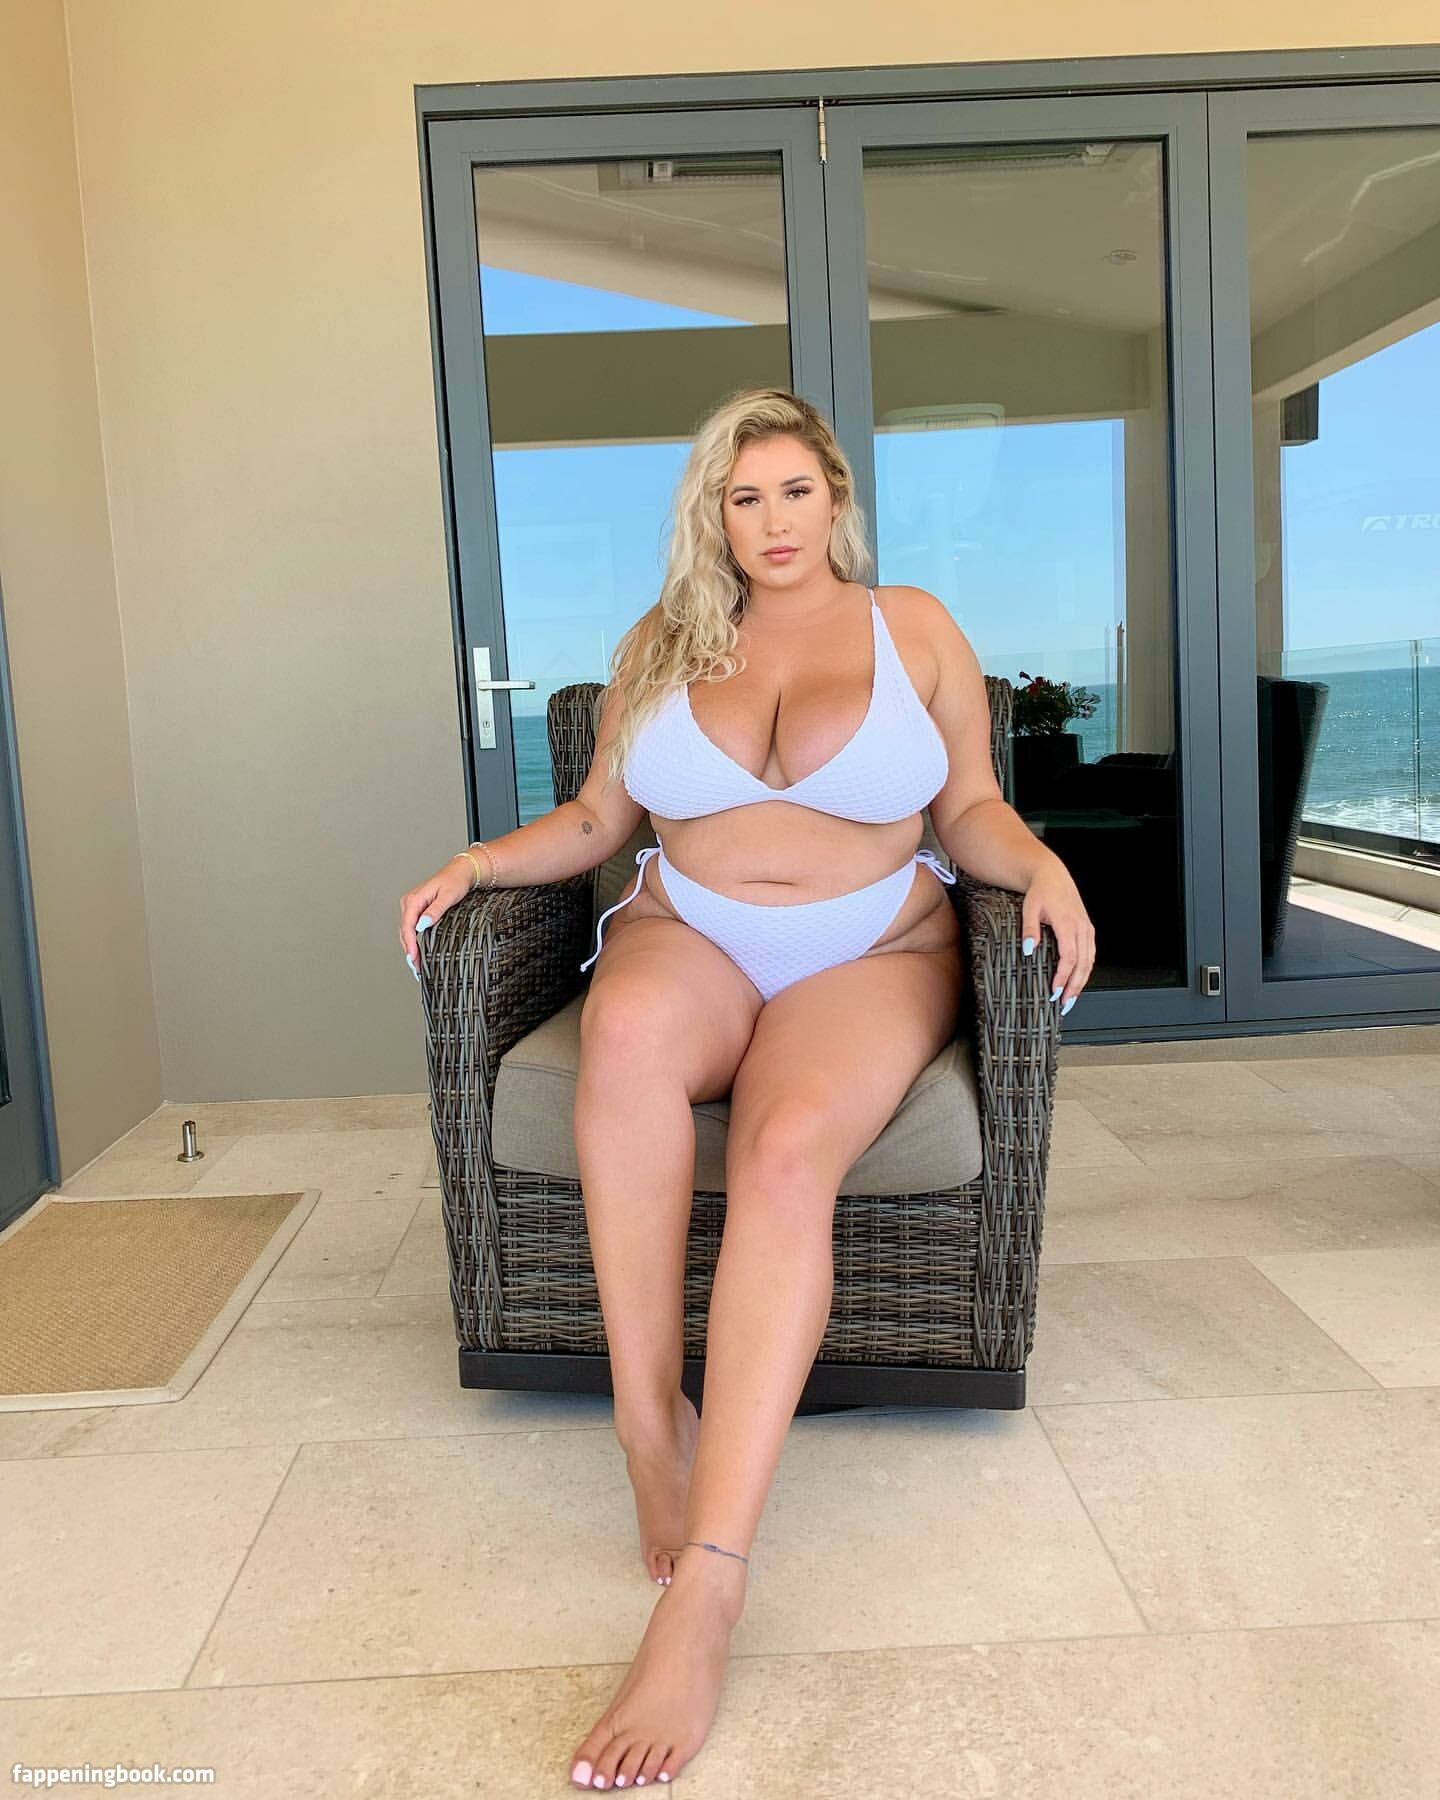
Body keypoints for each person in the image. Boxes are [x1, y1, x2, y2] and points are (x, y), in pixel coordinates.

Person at [398, 386, 1095, 1790]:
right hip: (692, 928)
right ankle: (648, 1422)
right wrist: (473, 865)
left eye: (795, 492)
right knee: (626, 1043)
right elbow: (600, 820)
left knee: (784, 1153)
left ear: (836, 499)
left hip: (872, 944)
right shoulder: (662, 641)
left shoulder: (914, 628)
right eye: (743, 497)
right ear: (712, 516)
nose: (773, 522)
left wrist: (1048, 868)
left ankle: (709, 1589)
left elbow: (967, 806)